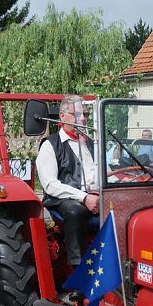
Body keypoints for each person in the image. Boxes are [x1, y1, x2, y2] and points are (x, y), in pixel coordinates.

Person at [36, 95, 98, 267]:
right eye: (77, 114)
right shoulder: (51, 144)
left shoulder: (92, 143)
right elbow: (50, 185)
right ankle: (78, 272)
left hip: (94, 196)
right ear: (62, 117)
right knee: (75, 212)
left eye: (85, 114)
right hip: (63, 199)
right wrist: (84, 197)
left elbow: (102, 173)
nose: (83, 119)